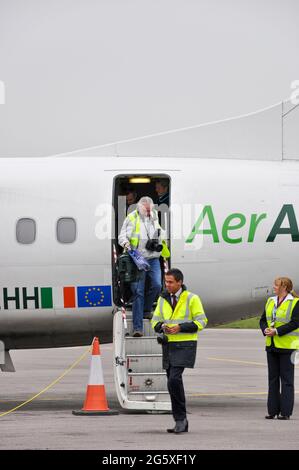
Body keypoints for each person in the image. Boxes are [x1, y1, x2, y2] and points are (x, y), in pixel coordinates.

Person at [151, 268, 207, 433]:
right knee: (171, 383)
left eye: (170, 282)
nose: (167, 285)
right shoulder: (162, 299)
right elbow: (155, 321)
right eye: (166, 282)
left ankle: (181, 419)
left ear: (179, 282)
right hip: (168, 345)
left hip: (185, 345)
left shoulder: (192, 298)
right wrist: (162, 326)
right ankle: (180, 420)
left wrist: (180, 327)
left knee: (174, 380)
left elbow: (202, 322)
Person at [118, 196, 166, 337]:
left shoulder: (154, 217)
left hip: (153, 258)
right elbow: (122, 236)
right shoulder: (131, 218)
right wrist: (126, 244)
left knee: (157, 285)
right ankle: (137, 328)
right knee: (138, 292)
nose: (148, 211)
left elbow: (160, 233)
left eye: (150, 209)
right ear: (140, 207)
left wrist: (160, 237)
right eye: (146, 209)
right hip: (137, 259)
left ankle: (145, 309)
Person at [259, 277, 299, 420]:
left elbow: (295, 323)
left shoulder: (295, 302)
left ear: (285, 287)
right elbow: (263, 319)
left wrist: (277, 331)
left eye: (276, 285)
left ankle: (285, 412)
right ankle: (272, 410)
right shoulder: (271, 301)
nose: (274, 287)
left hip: (288, 347)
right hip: (272, 345)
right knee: (273, 379)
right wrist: (265, 330)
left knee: (287, 380)